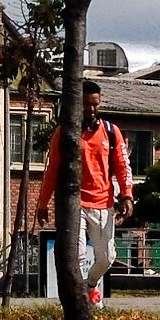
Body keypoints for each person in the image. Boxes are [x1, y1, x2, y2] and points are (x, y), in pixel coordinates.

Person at [65, 83, 130, 293]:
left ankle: (90, 285)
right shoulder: (66, 131)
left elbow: (122, 165)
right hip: (75, 204)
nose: (90, 109)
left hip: (103, 204)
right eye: (85, 105)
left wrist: (127, 196)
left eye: (94, 104)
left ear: (99, 102)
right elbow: (53, 168)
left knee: (107, 258)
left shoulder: (111, 132)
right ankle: (82, 299)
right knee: (78, 253)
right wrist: (43, 202)